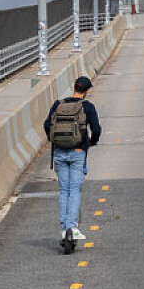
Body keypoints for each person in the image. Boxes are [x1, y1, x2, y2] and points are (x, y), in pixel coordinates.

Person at [44, 76, 102, 252]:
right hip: (78, 152)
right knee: (75, 190)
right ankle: (71, 228)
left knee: (64, 191)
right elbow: (96, 129)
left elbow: (47, 125)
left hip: (59, 152)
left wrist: (56, 140)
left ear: (74, 87)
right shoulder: (87, 106)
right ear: (86, 91)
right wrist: (91, 142)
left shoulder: (58, 104)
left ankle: (64, 230)